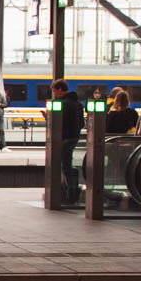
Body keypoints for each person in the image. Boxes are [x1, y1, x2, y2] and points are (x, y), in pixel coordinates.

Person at [53, 78, 85, 206]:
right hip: (75, 137)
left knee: (65, 166)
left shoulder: (63, 104)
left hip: (65, 137)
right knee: (68, 163)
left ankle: (70, 194)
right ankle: (71, 192)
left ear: (60, 89)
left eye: (55, 91)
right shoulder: (78, 104)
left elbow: (59, 122)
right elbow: (82, 123)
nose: (55, 94)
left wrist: (49, 118)